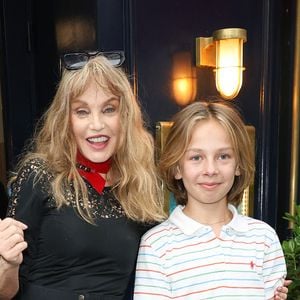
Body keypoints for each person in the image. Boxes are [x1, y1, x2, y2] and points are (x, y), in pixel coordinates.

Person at [1, 52, 165, 299]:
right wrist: (7, 263)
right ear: (65, 120)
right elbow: (6, 292)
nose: (96, 124)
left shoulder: (138, 186)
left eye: (109, 109)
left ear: (126, 117)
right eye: (82, 111)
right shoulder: (40, 176)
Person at [134, 100, 288, 299]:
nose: (211, 170)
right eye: (196, 158)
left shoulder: (264, 239)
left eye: (223, 156)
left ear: (239, 165)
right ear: (177, 168)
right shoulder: (157, 245)